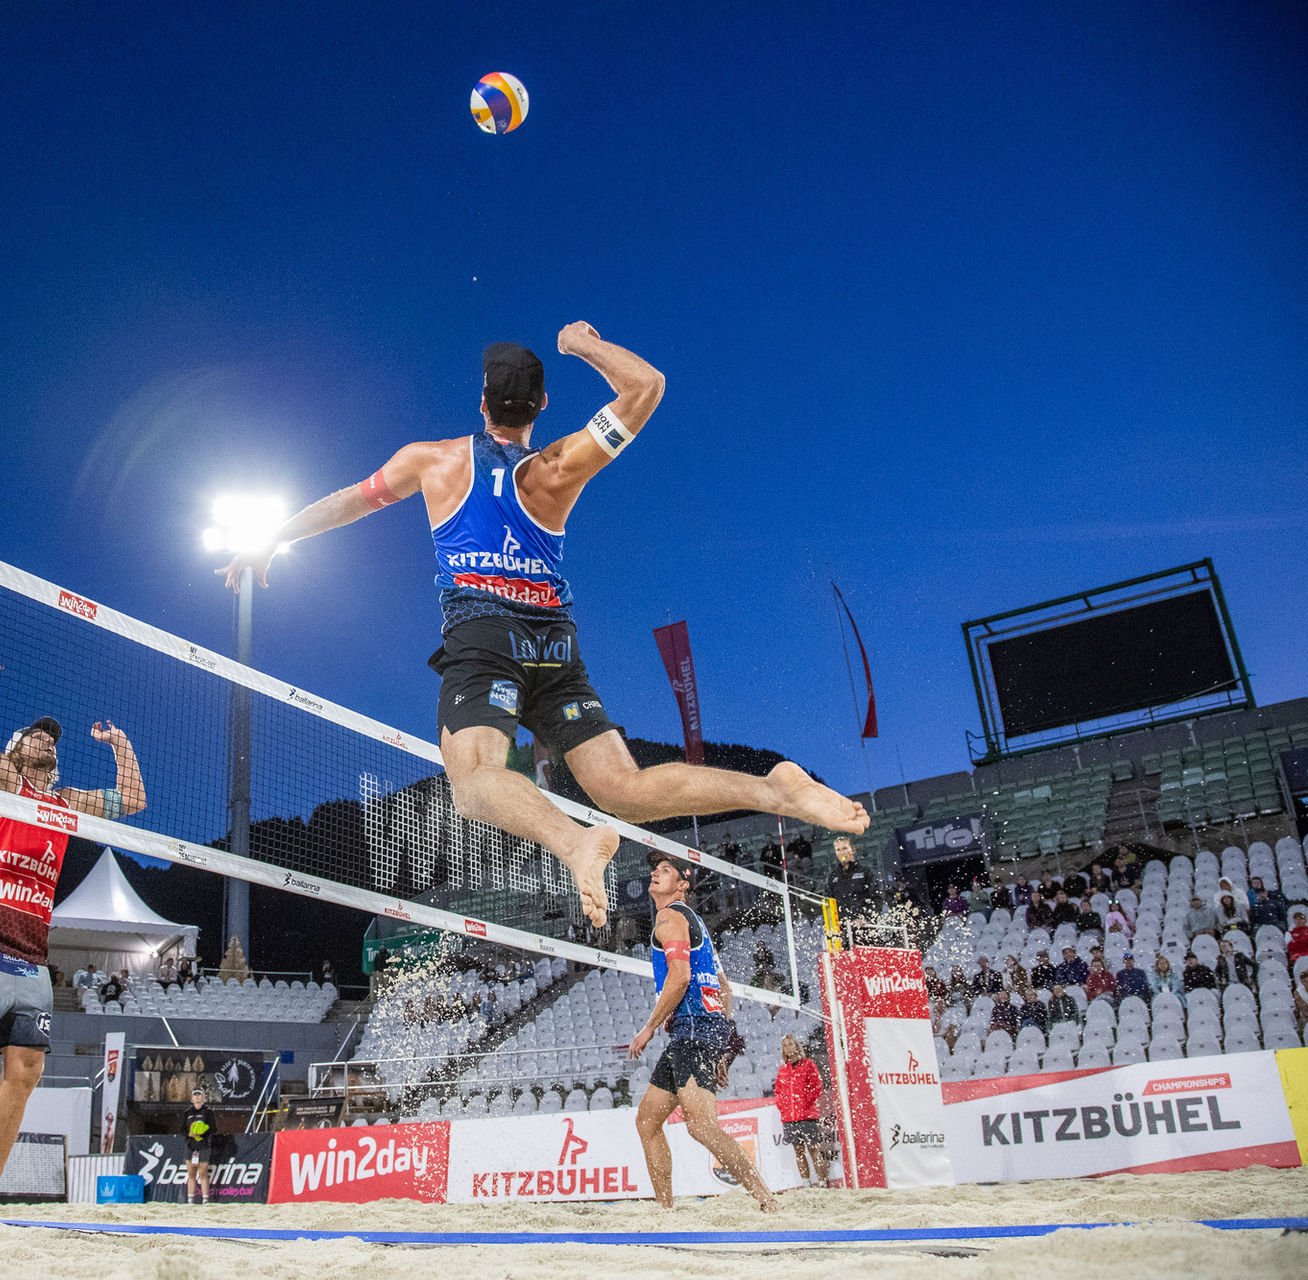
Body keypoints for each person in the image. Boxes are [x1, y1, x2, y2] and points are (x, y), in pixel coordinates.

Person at [217, 326, 870, 928]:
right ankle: (772, 788)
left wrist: (275, 537)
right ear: (540, 406)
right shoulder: (559, 467)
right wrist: (583, 341)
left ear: (482, 403)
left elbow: (352, 502)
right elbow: (647, 386)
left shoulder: (433, 461)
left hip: (484, 638)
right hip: (555, 645)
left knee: (474, 783)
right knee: (625, 789)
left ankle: (573, 841)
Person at [0, 636, 148, 1216]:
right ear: (15, 750)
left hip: (32, 954)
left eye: (52, 738)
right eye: (36, 735)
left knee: (25, 1070)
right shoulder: (1, 782)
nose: (47, 739)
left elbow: (133, 799)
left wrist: (121, 745)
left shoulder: (66, 802)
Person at [629, 849, 776, 1211]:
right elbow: (724, 990)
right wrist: (724, 1045)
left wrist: (649, 1027)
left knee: (701, 1127)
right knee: (647, 1120)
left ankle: (765, 1198)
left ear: (682, 885)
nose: (654, 874)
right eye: (654, 870)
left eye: (665, 870)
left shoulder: (669, 916)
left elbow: (679, 978)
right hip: (697, 1029)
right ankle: (666, 1210)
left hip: (694, 1029)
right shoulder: (698, 924)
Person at [772, 1035, 828, 1187]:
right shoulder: (783, 1069)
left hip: (807, 1115)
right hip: (790, 1118)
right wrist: (783, 1106)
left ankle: (822, 1182)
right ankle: (806, 1183)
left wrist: (804, 1102)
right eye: (785, 1045)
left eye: (790, 1044)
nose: (788, 1047)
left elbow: (817, 1086)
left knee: (814, 1149)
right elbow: (778, 1091)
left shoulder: (808, 1064)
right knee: (798, 1151)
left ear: (797, 1046)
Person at [184, 1086, 217, 1205]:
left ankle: (205, 1199)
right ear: (192, 1098)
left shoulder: (207, 1112)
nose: (197, 1096)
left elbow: (213, 1128)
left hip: (203, 1146)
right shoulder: (187, 1112)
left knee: (203, 1173)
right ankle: (190, 1200)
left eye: (199, 1094)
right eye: (195, 1094)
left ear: (203, 1097)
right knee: (191, 1174)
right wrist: (190, 1134)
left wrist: (202, 1132)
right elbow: (182, 1130)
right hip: (190, 1146)